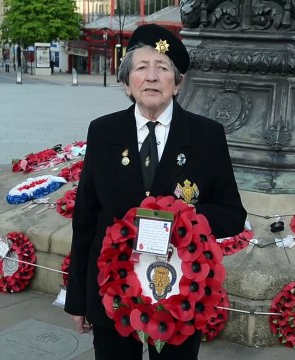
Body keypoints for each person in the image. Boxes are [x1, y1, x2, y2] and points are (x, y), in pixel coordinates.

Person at [65, 24, 247, 360]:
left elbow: (233, 216)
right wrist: (79, 299)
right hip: (113, 292)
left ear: (177, 84)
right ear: (126, 82)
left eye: (162, 68)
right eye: (141, 67)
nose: (151, 77)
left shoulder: (206, 136)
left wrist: (183, 221)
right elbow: (85, 220)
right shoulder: (104, 132)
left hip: (178, 297)